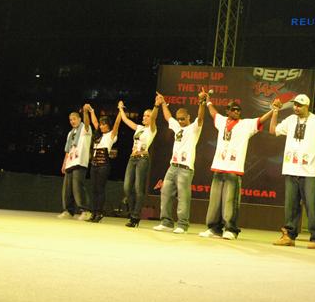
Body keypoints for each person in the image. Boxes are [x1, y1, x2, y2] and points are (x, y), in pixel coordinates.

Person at [198, 98, 275, 240]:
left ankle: (231, 230)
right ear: (227, 111)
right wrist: (208, 102)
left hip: (234, 169)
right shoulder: (222, 121)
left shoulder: (246, 125)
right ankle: (214, 229)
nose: (237, 112)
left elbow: (261, 120)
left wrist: (273, 110)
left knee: (230, 202)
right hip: (219, 167)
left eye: (239, 110)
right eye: (233, 109)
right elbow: (213, 113)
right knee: (215, 202)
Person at [269, 94, 315, 249]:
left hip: (310, 171)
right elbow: (273, 130)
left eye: (299, 105)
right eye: (295, 105)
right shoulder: (290, 120)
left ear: (307, 106)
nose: (296, 108)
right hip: (291, 168)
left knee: (312, 206)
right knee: (291, 205)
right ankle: (289, 236)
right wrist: (275, 111)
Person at [153, 90, 207, 234]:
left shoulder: (194, 128)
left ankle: (182, 225)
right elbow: (168, 117)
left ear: (188, 117)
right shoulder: (177, 126)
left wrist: (202, 102)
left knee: (183, 198)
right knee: (165, 193)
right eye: (179, 119)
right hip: (172, 166)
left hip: (185, 168)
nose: (181, 121)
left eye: (183, 119)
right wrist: (163, 103)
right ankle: (166, 222)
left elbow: (200, 117)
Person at [118, 98, 159, 227]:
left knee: (138, 188)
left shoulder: (152, 129)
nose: (145, 117)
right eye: (144, 115)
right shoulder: (139, 128)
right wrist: (120, 108)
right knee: (127, 187)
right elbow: (125, 120)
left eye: (148, 116)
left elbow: (153, 117)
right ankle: (131, 212)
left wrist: (156, 106)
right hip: (132, 159)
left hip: (142, 158)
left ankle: (135, 217)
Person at [86, 103, 122, 223]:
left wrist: (120, 110)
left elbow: (117, 124)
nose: (101, 126)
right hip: (94, 164)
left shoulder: (111, 135)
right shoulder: (99, 135)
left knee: (100, 189)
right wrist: (91, 111)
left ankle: (99, 212)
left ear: (108, 125)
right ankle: (93, 212)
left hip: (103, 164)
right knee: (94, 189)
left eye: (103, 124)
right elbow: (94, 122)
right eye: (101, 124)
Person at [58, 105, 93, 221]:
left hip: (80, 161)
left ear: (79, 119)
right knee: (67, 188)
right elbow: (67, 150)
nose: (72, 121)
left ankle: (85, 211)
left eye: (74, 119)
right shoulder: (70, 133)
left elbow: (87, 123)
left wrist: (85, 112)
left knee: (78, 186)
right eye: (70, 120)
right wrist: (64, 163)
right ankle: (68, 211)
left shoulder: (85, 129)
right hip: (70, 162)